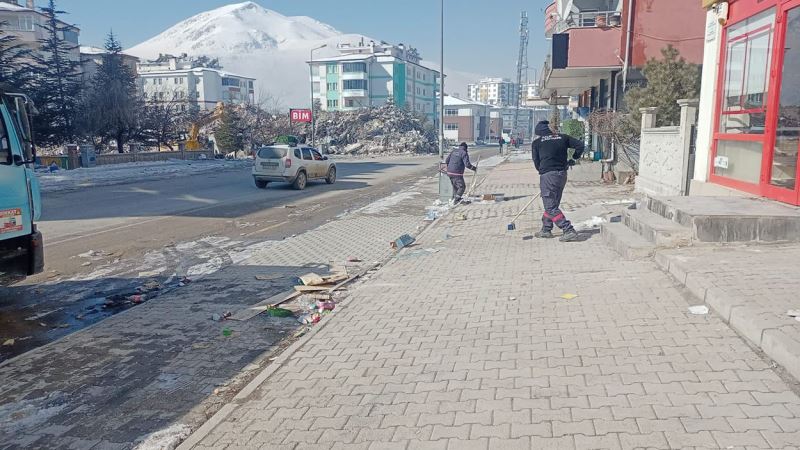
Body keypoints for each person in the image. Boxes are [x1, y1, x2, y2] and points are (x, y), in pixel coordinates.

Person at [531, 120, 585, 242]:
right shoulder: (562, 137)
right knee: (553, 204)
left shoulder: (537, 143)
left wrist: (542, 170)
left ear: (538, 132)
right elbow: (580, 145)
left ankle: (568, 229)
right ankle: (546, 229)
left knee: (550, 206)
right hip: (562, 175)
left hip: (548, 175)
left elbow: (536, 161)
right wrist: (574, 157)